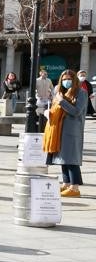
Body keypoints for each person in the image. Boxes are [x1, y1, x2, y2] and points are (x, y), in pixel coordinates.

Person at [45, 69, 87, 197]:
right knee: (62, 159)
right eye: (63, 79)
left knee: (71, 159)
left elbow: (76, 111)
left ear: (74, 79)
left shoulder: (81, 93)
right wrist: (48, 113)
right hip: (59, 129)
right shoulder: (61, 92)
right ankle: (66, 184)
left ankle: (75, 188)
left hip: (72, 130)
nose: (66, 82)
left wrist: (62, 101)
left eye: (68, 79)